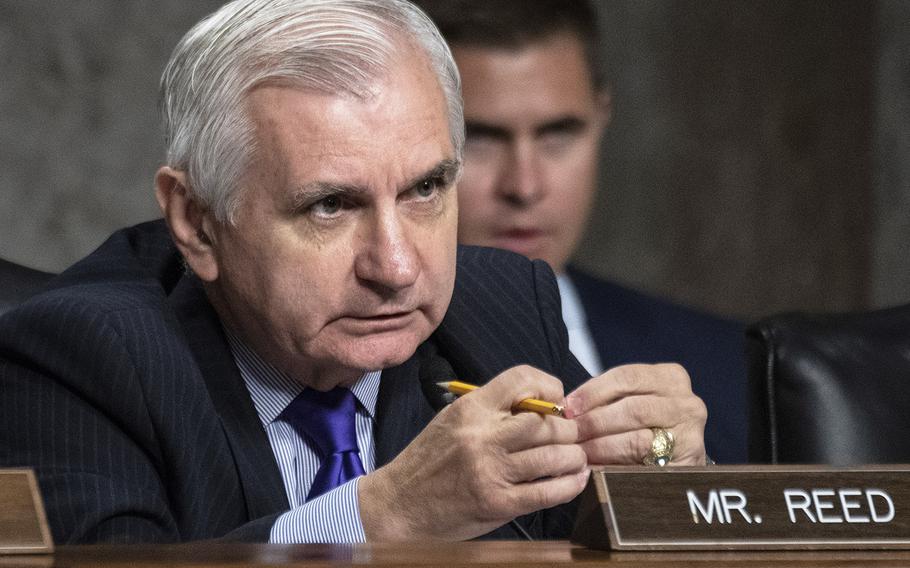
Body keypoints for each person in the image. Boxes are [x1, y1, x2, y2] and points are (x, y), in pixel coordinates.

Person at [0, 0, 707, 545]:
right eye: (331, 206)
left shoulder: (500, 304)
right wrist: (385, 517)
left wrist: (673, 489)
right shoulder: (80, 355)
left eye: (426, 190)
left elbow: (612, 521)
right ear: (196, 221)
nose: (398, 268)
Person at [413, 0, 748, 464]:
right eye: (480, 139)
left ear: (602, 115)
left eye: (558, 135)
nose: (524, 186)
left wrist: (692, 485)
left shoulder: (727, 361)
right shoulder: (351, 377)